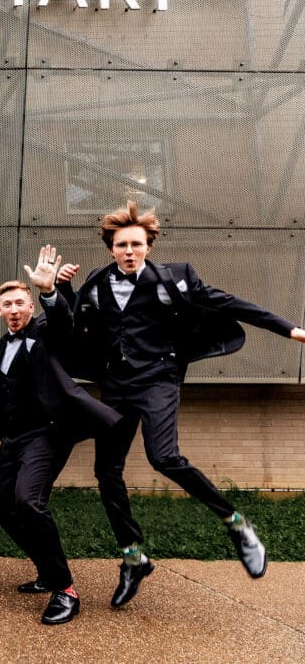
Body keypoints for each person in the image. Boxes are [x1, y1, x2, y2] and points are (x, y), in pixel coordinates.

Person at [58, 201, 305, 608]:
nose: (129, 251)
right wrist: (63, 289)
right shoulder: (97, 283)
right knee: (106, 471)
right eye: (122, 245)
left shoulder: (175, 277)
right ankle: (133, 558)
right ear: (111, 248)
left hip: (158, 378)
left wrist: (288, 329)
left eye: (136, 244)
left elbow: (230, 303)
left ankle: (237, 524)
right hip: (116, 385)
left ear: (149, 246)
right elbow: (74, 327)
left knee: (164, 457)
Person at [0, 247, 121, 625]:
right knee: (2, 507)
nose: (14, 309)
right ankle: (46, 570)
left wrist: (49, 292)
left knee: (28, 502)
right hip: (14, 436)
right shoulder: (2, 345)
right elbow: (2, 390)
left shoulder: (46, 331)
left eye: (20, 302)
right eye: (7, 305)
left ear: (30, 306)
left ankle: (65, 590)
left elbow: (63, 323)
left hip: (47, 433)